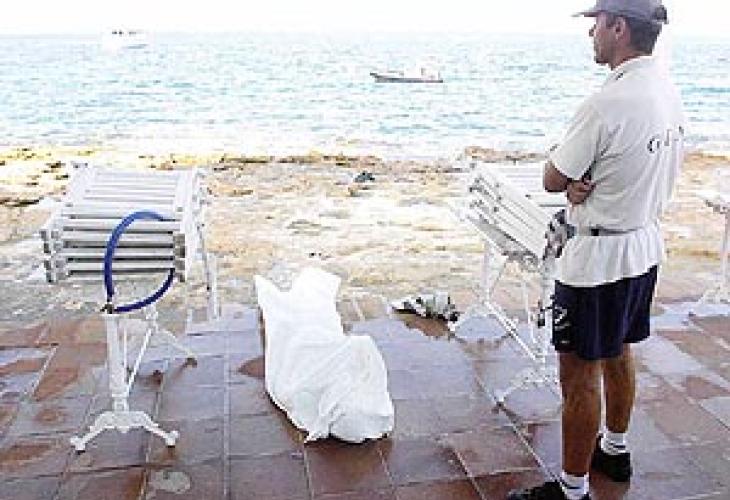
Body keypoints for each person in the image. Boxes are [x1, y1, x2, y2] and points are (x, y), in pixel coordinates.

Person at [508, 1, 684, 499]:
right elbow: (637, 164)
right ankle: (616, 450)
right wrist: (591, 179)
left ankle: (572, 490)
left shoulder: (605, 104)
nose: (591, 34)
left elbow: (552, 177)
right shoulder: (667, 90)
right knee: (619, 350)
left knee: (579, 376)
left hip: (597, 260)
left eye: (596, 25)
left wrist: (572, 182)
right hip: (643, 247)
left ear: (619, 27)